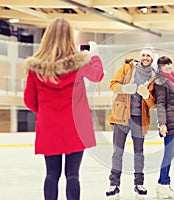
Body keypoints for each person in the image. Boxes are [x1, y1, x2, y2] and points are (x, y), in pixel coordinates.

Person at [23, 17, 104, 200]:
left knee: (51, 175)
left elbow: (29, 101)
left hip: (49, 128)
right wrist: (95, 55)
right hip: (76, 127)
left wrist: (47, 113)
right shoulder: (80, 63)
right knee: (73, 176)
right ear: (70, 37)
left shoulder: (36, 68)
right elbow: (98, 75)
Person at [106, 45, 156, 198]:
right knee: (117, 152)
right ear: (140, 57)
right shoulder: (127, 68)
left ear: (152, 59)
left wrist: (147, 95)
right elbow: (112, 84)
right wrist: (125, 88)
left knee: (139, 153)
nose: (145, 58)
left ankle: (138, 183)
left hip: (139, 118)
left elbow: (153, 104)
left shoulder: (154, 77)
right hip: (122, 115)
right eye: (143, 55)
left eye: (148, 56)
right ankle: (114, 184)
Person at [154, 56, 174, 200]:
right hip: (169, 123)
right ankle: (165, 184)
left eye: (169, 64)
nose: (168, 66)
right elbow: (160, 104)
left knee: (170, 155)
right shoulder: (161, 81)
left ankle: (161, 186)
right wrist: (162, 123)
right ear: (159, 67)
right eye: (164, 65)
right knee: (168, 155)